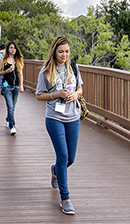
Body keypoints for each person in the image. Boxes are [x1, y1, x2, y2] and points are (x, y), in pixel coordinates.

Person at [35, 36, 83, 216]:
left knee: (70, 158)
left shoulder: (74, 68)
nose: (64, 55)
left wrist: (76, 95)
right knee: (62, 156)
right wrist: (56, 94)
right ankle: (65, 198)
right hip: (54, 117)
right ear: (54, 51)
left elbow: (80, 88)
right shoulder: (46, 71)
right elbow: (39, 95)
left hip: (73, 116)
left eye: (67, 51)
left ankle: (55, 170)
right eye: (61, 51)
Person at [0, 41, 24, 135]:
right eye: (11, 48)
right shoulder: (3, 60)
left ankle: (8, 119)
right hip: (6, 85)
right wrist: (6, 71)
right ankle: (12, 126)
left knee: (13, 106)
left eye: (14, 48)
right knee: (10, 106)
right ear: (8, 49)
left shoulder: (18, 60)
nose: (13, 50)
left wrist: (21, 85)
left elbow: (20, 73)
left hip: (16, 86)